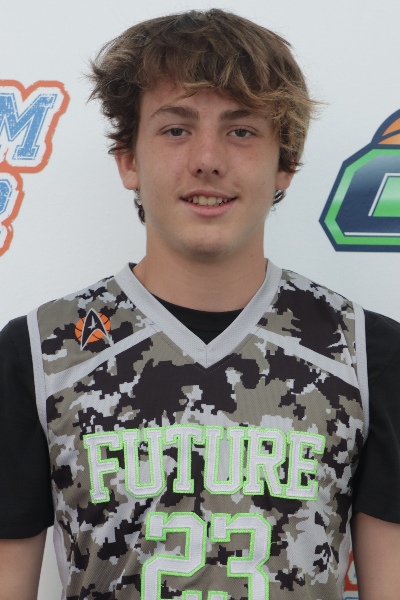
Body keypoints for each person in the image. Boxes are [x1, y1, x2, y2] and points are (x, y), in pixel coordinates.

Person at [0, 9, 399, 600]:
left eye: (241, 131)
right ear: (128, 159)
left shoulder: (367, 354)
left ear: (285, 162)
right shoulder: (39, 353)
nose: (207, 158)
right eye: (176, 129)